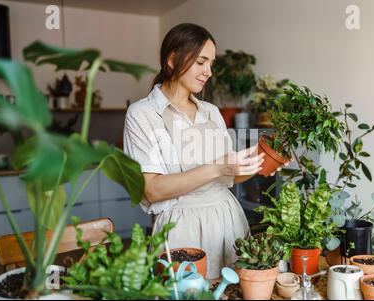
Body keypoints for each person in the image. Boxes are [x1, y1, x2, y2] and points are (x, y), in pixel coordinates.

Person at [123, 23, 288, 279]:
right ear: (172, 59)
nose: (209, 72)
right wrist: (218, 167)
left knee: (232, 293)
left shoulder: (211, 112)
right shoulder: (142, 114)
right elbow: (151, 189)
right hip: (181, 229)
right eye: (201, 62)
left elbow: (228, 178)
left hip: (228, 221)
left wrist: (260, 162)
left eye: (211, 63)